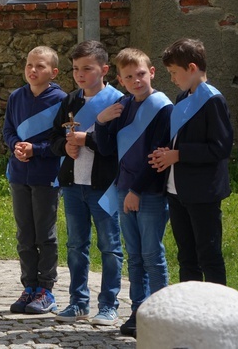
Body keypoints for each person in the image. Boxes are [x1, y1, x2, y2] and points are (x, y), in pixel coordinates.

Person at [94, 48, 173, 338]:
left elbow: (156, 156)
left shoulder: (162, 106)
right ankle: (139, 311)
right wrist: (101, 122)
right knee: (135, 256)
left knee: (152, 255)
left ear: (151, 72)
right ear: (120, 80)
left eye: (140, 74)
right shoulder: (124, 106)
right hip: (124, 188)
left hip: (148, 192)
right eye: (128, 77)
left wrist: (136, 190)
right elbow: (105, 149)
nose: (136, 80)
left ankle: (160, 316)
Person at [50, 40, 123, 326]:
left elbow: (118, 145)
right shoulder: (70, 101)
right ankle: (78, 303)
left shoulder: (118, 101)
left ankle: (109, 305)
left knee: (110, 246)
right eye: (76, 69)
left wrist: (87, 140)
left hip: (103, 185)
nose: (80, 74)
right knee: (75, 246)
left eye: (87, 69)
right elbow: (55, 137)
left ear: (104, 69)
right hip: (72, 184)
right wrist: (63, 148)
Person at [149, 38, 232, 287]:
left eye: (175, 72)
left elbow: (220, 148)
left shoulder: (213, 100)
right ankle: (189, 312)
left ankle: (217, 314)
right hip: (177, 190)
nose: (173, 78)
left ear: (192, 68)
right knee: (186, 256)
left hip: (202, 191)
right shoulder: (182, 95)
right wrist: (168, 152)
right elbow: (179, 137)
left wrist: (179, 154)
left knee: (209, 256)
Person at [3, 46, 66, 314]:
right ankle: (28, 287)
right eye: (29, 65)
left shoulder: (62, 100)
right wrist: (16, 145)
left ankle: (46, 289)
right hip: (19, 175)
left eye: (40, 66)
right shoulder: (17, 97)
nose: (33, 70)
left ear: (53, 72)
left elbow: (61, 141)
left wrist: (35, 150)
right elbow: (8, 129)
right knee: (24, 234)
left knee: (45, 234)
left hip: (46, 176)